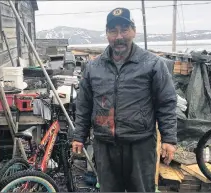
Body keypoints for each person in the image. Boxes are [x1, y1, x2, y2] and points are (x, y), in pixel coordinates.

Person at [72, 7, 177, 192]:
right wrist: (79, 136)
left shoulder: (152, 64)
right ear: (106, 34)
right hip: (105, 145)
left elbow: (166, 102)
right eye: (113, 31)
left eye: (124, 30)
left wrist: (169, 139)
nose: (119, 36)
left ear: (134, 31)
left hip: (140, 145)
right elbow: (84, 104)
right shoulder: (93, 67)